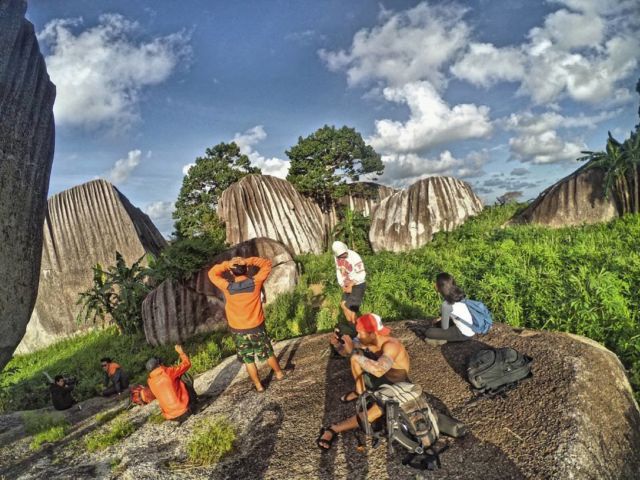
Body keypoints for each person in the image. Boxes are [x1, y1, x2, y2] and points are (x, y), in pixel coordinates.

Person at [318, 313, 410, 449]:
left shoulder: (392, 345)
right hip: (380, 380)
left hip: (396, 387)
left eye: (361, 333)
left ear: (372, 333)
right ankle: (359, 392)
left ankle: (334, 429)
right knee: (355, 357)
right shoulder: (368, 340)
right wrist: (338, 344)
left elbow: (379, 369)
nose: (358, 336)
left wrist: (353, 353)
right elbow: (346, 351)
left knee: (371, 415)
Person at [208, 255, 284, 393]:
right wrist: (247, 261)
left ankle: (259, 386)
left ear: (231, 272)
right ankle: (279, 373)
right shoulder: (256, 282)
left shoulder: (227, 287)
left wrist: (227, 263)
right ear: (247, 269)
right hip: (256, 327)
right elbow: (266, 264)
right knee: (267, 353)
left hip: (238, 331)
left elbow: (212, 273)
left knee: (249, 360)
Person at [422, 272, 475, 344]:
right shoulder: (459, 295)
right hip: (472, 328)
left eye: (436, 283)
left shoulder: (446, 305)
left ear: (440, 286)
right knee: (438, 324)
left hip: (463, 334)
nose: (434, 284)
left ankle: (445, 340)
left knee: (429, 332)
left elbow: (444, 327)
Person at [146, 345, 195, 422]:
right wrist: (181, 353)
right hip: (184, 411)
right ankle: (193, 401)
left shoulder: (150, 381)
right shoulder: (168, 372)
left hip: (171, 417)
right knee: (183, 375)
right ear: (159, 365)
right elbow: (187, 364)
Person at [332, 241, 366, 330]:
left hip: (358, 284)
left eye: (344, 254)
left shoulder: (355, 256)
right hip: (347, 284)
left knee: (350, 308)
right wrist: (342, 284)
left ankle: (361, 331)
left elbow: (362, 274)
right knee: (343, 305)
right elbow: (338, 271)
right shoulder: (336, 257)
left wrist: (351, 284)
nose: (343, 256)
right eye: (340, 255)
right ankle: (354, 330)